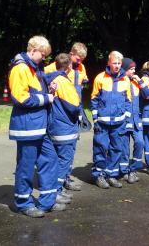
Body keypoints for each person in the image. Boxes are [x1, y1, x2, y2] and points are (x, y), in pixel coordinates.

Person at [8, 35, 66, 218]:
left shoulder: (34, 68)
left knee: (50, 160)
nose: (44, 58)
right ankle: (23, 203)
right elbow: (20, 98)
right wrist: (46, 98)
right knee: (26, 167)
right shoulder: (20, 68)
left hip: (39, 126)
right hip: (27, 127)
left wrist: (49, 90)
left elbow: (34, 93)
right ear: (33, 50)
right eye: (43, 54)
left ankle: (47, 201)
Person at [45, 42, 89, 191]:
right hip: (62, 111)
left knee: (71, 148)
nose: (80, 62)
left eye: (82, 60)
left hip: (75, 111)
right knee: (60, 150)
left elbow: (82, 85)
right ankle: (56, 183)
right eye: (78, 59)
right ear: (71, 55)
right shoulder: (54, 67)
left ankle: (65, 178)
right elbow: (44, 80)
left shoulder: (81, 68)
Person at [90, 51, 131, 189]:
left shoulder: (126, 79)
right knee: (101, 148)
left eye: (119, 63)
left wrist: (127, 118)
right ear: (108, 63)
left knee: (116, 149)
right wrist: (95, 119)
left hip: (119, 123)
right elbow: (94, 99)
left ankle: (111, 175)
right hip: (102, 122)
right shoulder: (100, 78)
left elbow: (128, 100)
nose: (117, 66)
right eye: (115, 63)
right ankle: (99, 175)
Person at [47, 53, 81, 202]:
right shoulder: (63, 81)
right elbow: (73, 106)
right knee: (63, 161)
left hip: (53, 125)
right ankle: (56, 192)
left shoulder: (50, 78)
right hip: (64, 128)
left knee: (55, 161)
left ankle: (54, 190)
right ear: (68, 67)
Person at [119, 58, 144, 183]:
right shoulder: (120, 82)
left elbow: (147, 94)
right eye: (131, 69)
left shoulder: (136, 82)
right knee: (124, 147)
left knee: (140, 142)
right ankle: (124, 171)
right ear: (124, 69)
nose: (134, 71)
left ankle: (133, 169)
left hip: (136, 119)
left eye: (134, 68)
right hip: (124, 120)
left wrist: (140, 81)